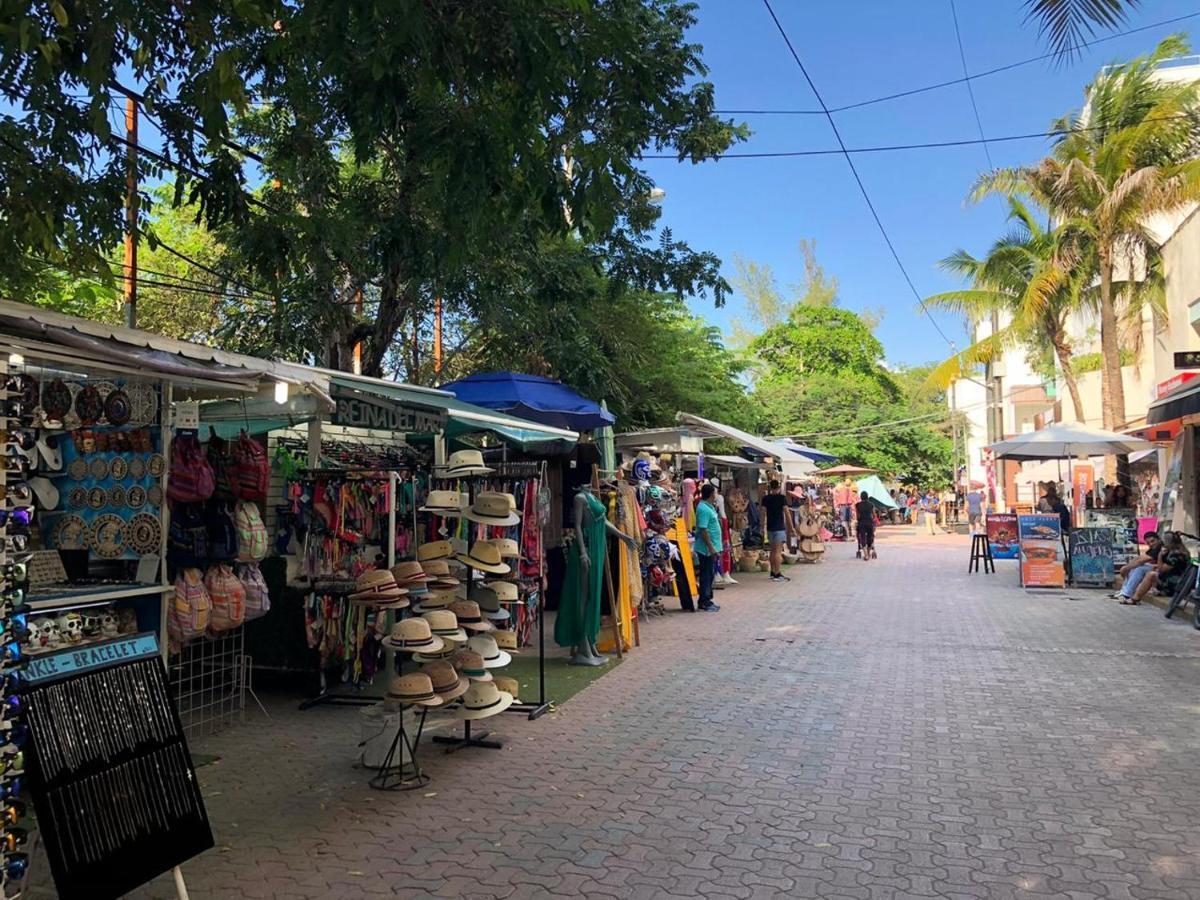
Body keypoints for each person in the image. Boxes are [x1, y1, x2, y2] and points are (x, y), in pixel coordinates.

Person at [1118, 531, 1189, 606]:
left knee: (1149, 574)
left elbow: (1162, 569)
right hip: (1174, 580)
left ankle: (1133, 598)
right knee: (1139, 567)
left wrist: (1160, 555)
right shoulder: (1175, 551)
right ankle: (1125, 593)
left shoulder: (1176, 554)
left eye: (1164, 542)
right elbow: (1142, 558)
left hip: (1174, 584)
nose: (1163, 544)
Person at [692, 483, 722, 612]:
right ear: (711, 494)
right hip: (706, 549)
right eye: (714, 493)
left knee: (710, 574)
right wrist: (711, 548)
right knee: (706, 574)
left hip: (711, 547)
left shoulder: (708, 507)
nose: (715, 495)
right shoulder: (703, 509)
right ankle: (704, 601)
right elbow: (703, 530)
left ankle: (707, 599)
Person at [1114, 531, 1162, 600]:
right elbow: (1140, 558)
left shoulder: (1160, 547)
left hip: (1162, 572)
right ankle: (1124, 591)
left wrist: (1127, 568)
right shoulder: (1153, 548)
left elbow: (1143, 560)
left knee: (1139, 568)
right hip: (1155, 568)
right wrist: (1128, 566)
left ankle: (1126, 593)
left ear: (1158, 539)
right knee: (1135, 567)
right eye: (1148, 543)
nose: (1151, 544)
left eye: (1153, 541)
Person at [760, 480, 792, 582]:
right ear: (778, 487)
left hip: (770, 527)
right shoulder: (782, 498)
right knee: (778, 552)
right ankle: (777, 573)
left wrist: (761, 527)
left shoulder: (766, 499)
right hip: (779, 527)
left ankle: (773, 572)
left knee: (772, 551)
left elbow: (763, 513)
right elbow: (787, 513)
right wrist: (791, 528)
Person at [855, 491, 876, 560]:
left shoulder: (857, 505)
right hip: (869, 522)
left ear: (861, 497)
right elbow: (874, 515)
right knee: (870, 538)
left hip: (862, 523)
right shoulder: (871, 504)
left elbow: (857, 516)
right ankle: (868, 552)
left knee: (862, 538)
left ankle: (866, 555)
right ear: (867, 497)